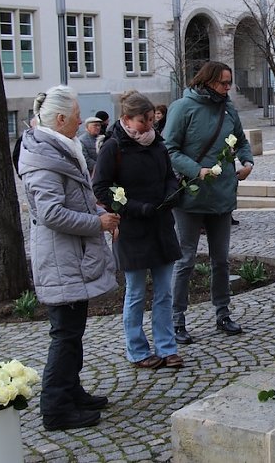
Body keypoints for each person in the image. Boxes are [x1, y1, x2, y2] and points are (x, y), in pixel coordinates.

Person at [17, 85, 119, 431]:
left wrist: (97, 209)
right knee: (64, 334)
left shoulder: (58, 149)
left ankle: (70, 391)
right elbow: (50, 213)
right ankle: (56, 407)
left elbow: (69, 201)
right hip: (61, 259)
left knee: (72, 332)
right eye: (76, 116)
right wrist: (97, 222)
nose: (81, 122)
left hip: (71, 257)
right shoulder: (45, 157)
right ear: (60, 119)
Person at [163, 61, 254, 345]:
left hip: (222, 194)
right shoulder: (183, 107)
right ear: (208, 81)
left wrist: (247, 160)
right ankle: (176, 320)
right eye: (223, 83)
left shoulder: (228, 108)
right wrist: (195, 170)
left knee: (221, 260)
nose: (228, 88)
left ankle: (222, 313)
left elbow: (240, 141)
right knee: (186, 259)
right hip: (191, 195)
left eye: (230, 83)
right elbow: (170, 149)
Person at [93, 90, 184, 370]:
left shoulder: (157, 144)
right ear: (126, 120)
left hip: (160, 225)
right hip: (133, 229)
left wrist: (173, 192)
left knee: (164, 292)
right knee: (134, 293)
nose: (149, 125)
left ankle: (167, 347)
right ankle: (137, 350)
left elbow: (169, 175)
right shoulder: (113, 147)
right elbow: (101, 188)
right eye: (143, 121)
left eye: (151, 119)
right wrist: (134, 207)